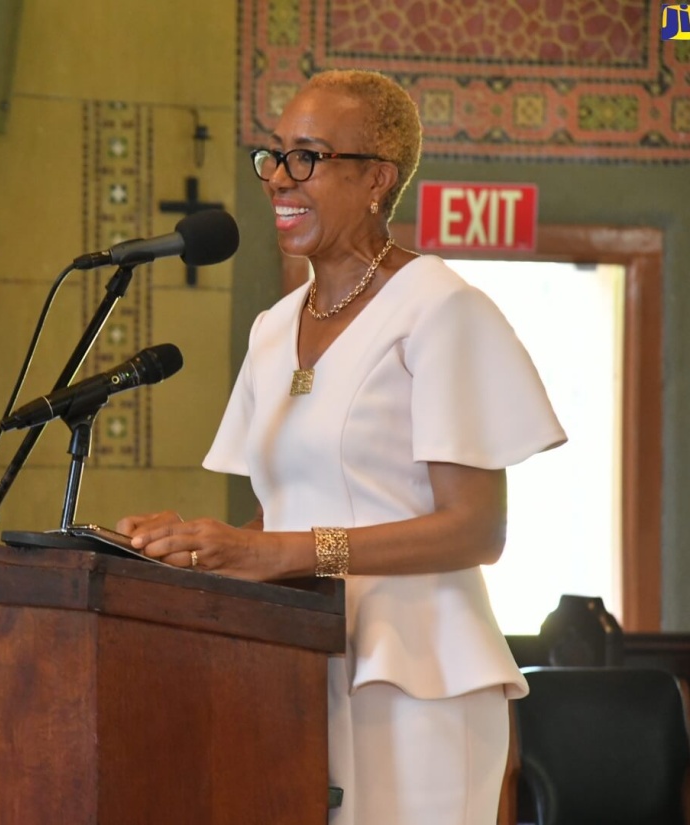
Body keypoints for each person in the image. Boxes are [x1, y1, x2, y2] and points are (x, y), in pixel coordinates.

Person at [116, 69, 566, 825]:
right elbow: (279, 521)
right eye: (275, 154)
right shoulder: (271, 327)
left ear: (376, 180)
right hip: (295, 663)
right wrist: (197, 550)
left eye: (308, 156)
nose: (279, 178)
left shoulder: (441, 308)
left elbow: (477, 529)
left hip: (418, 674)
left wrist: (284, 553)